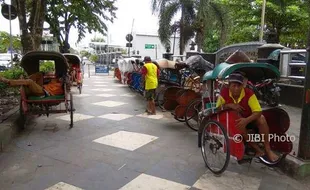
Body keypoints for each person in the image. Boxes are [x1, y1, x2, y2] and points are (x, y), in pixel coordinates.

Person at [216, 72, 279, 162]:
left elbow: (258, 111)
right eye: (234, 86)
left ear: (243, 86)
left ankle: (268, 150)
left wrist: (246, 120)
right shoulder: (224, 93)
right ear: (229, 86)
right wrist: (229, 105)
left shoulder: (249, 93)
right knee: (238, 123)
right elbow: (217, 109)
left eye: (239, 86)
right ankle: (257, 149)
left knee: (261, 119)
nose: (236, 89)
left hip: (248, 119)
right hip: (231, 122)